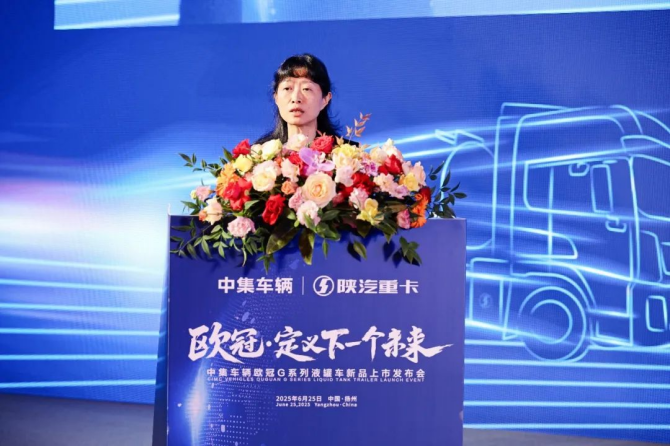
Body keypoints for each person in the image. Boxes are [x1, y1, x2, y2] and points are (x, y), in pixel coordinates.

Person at [255, 54, 342, 145]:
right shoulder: (257, 152)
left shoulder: (347, 152)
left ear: (325, 99)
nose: (296, 98)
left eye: (306, 89)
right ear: (276, 98)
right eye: (287, 88)